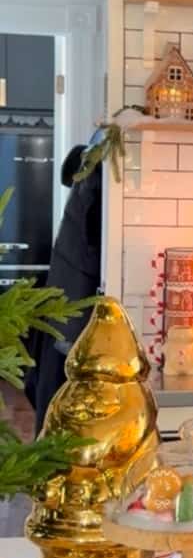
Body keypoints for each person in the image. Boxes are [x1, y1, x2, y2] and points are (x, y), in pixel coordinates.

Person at [25, 144, 102, 434]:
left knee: (51, 396)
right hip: (72, 313)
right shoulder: (95, 182)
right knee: (59, 403)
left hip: (64, 305)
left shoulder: (87, 179)